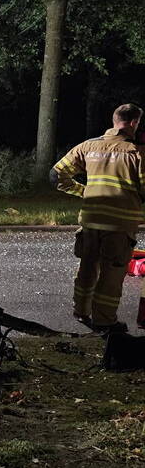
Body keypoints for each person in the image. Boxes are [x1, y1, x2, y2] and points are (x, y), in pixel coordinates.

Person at [51, 103, 145, 333]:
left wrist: (84, 191)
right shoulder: (138, 152)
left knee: (87, 267)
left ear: (115, 121)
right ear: (134, 123)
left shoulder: (88, 146)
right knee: (111, 275)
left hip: (90, 221)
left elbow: (56, 175)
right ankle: (104, 321)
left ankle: (81, 311)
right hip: (119, 225)